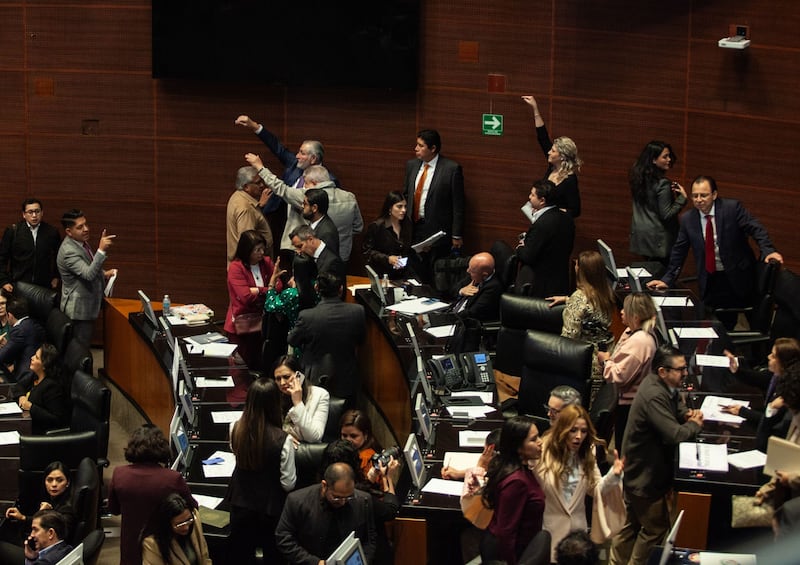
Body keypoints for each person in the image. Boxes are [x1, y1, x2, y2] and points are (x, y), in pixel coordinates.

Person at [608, 345, 704, 565]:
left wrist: (686, 414)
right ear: (663, 371)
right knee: (655, 528)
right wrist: (694, 425)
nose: (685, 373)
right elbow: (674, 434)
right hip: (644, 474)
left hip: (638, 470)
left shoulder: (664, 386)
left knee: (631, 524)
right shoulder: (654, 395)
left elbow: (676, 405)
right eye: (680, 370)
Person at [647, 175, 783, 326]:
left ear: (714, 195)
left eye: (703, 195)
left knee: (756, 322)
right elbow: (679, 251)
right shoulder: (688, 219)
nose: (698, 199)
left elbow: (756, 229)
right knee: (720, 324)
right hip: (713, 279)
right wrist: (667, 280)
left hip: (741, 275)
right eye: (695, 196)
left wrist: (768, 250)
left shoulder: (732, 209)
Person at [534, 404, 624, 561]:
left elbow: (595, 489)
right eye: (573, 430)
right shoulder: (543, 451)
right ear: (562, 429)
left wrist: (613, 475)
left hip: (577, 535)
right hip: (549, 531)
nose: (578, 436)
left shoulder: (587, 453)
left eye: (583, 431)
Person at [229, 377, 296, 565]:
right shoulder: (284, 440)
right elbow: (288, 483)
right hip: (271, 509)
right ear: (275, 403)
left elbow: (236, 455)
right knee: (273, 557)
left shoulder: (235, 427)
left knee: (241, 556)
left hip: (240, 503)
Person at [108, 425, 195, 565]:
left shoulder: (119, 474)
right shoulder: (173, 478)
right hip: (164, 548)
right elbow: (191, 508)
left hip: (131, 549)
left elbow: (114, 509)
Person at [547, 251, 616, 406]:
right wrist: (567, 299)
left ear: (582, 271)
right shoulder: (606, 292)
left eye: (577, 264)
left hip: (584, 362)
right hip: (606, 355)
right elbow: (591, 311)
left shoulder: (579, 298)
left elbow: (569, 338)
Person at [275, 462, 377, 565]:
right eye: (337, 497)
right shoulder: (297, 501)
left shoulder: (363, 500)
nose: (343, 502)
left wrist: (362, 562)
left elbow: (370, 540)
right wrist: (315, 562)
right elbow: (283, 538)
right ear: (324, 486)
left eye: (349, 497)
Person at [287, 272, 365, 405]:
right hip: (346, 378)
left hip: (313, 379)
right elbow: (361, 340)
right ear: (341, 289)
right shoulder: (358, 311)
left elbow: (292, 340)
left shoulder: (307, 316)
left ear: (316, 288)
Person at [321, 440, 400, 565]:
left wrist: (369, 479)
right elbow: (390, 510)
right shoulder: (359, 498)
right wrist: (387, 477)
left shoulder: (323, 490)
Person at [598, 292, 658, 453]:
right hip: (628, 402)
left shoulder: (640, 342)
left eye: (625, 310)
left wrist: (605, 361)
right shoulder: (634, 332)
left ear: (636, 317)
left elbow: (618, 376)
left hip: (630, 407)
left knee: (625, 451)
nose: (621, 312)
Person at [481, 415, 545, 565]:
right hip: (507, 554)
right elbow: (506, 533)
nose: (540, 442)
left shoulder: (518, 467)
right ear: (518, 447)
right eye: (533, 439)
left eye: (538, 436)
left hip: (518, 546)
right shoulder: (517, 482)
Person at [404, 129, 465, 283]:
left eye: (421, 146)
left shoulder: (451, 169)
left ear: (433, 149)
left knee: (435, 274)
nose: (416, 149)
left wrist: (456, 234)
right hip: (414, 227)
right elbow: (407, 194)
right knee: (415, 271)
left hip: (437, 231)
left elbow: (458, 204)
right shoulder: (411, 165)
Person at [722, 338, 800, 452]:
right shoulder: (776, 377)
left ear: (783, 362)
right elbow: (757, 378)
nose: (768, 357)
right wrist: (737, 370)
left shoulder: (789, 393)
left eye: (773, 356)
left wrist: (744, 411)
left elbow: (771, 424)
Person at [56, 209, 117, 345]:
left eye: (85, 224)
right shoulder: (68, 251)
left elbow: (85, 267)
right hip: (78, 311)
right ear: (68, 232)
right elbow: (88, 274)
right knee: (79, 350)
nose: (86, 229)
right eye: (80, 227)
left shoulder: (80, 242)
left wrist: (103, 273)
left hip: (86, 306)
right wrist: (101, 250)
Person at [0, 461, 75, 561]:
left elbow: (55, 534)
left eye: (59, 480)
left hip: (45, 556)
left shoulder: (67, 508)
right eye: (49, 480)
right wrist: (22, 517)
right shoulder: (53, 499)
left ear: (68, 483)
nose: (54, 484)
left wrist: (42, 513)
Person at [628, 141, 687, 267]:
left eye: (669, 156)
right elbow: (666, 214)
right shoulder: (663, 184)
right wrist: (682, 199)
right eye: (665, 157)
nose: (669, 159)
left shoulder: (637, 179)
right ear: (654, 160)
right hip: (659, 240)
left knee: (649, 273)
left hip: (641, 236)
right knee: (661, 277)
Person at [521, 95, 582, 217]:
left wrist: (551, 213)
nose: (549, 152)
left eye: (553, 151)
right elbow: (542, 137)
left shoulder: (570, 180)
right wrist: (535, 109)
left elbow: (575, 210)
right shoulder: (551, 166)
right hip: (541, 219)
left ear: (562, 157)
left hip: (556, 226)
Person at [224, 230, 275, 370]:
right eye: (257, 250)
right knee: (240, 371)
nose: (261, 253)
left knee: (260, 366)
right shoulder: (236, 267)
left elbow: (279, 287)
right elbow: (245, 297)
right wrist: (267, 290)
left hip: (262, 325)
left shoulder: (266, 262)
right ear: (246, 250)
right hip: (242, 327)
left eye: (262, 248)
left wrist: (258, 290)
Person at [515, 179, 575, 298]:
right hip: (561, 280)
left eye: (532, 195)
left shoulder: (542, 224)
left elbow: (528, 256)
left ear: (542, 200)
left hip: (541, 285)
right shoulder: (567, 219)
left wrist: (520, 247)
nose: (529, 197)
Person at [753, 363, 800, 509]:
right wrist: (767, 490)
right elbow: (786, 463)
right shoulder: (795, 417)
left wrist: (791, 479)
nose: (795, 417)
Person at [0, 198, 62, 293]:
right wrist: (3, 281)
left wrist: (56, 277)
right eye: (30, 212)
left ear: (42, 213)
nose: (34, 215)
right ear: (24, 214)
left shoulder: (51, 232)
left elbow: (59, 256)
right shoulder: (13, 231)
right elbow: (2, 258)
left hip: (43, 285)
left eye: (37, 211)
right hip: (18, 284)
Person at [11, 344, 69, 435]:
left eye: (37, 358)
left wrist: (31, 407)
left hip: (38, 433)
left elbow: (55, 419)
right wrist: (22, 396)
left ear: (45, 365)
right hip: (25, 423)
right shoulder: (35, 376)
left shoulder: (52, 387)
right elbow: (18, 386)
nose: (32, 358)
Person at [140, 493, 212, 565]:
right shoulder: (151, 543)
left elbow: (204, 557)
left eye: (188, 520)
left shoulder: (194, 518)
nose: (186, 527)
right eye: (179, 524)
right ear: (167, 524)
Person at [273, 354, 330, 443]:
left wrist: (298, 403)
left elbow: (314, 437)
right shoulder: (273, 395)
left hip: (307, 452)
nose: (282, 383)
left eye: (286, 377)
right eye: (278, 379)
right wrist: (285, 438)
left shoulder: (320, 395)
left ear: (299, 376)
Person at [362, 191, 415, 280]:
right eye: (399, 206)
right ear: (390, 208)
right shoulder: (377, 226)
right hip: (382, 274)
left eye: (405, 207)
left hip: (403, 274)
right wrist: (387, 259)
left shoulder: (407, 224)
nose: (404, 210)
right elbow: (367, 252)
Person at [226, 166, 273, 264]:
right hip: (251, 267)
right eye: (258, 183)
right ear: (246, 187)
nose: (262, 185)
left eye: (262, 181)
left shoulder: (238, 196)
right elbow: (249, 244)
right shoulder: (245, 208)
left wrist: (259, 206)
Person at [0, 296, 45, 382]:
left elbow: (1, 357)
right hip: (34, 374)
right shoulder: (32, 323)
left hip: (24, 379)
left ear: (9, 315)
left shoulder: (19, 330)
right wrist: (7, 345)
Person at [451, 252, 503, 322]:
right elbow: (453, 289)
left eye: (471, 271)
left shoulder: (493, 288)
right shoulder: (476, 272)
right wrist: (461, 291)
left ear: (484, 275)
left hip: (462, 321)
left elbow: (472, 313)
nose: (468, 271)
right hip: (453, 309)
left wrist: (448, 318)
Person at [339, 409, 383, 482]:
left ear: (365, 435)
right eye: (344, 435)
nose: (348, 440)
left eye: (353, 436)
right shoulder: (340, 451)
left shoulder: (368, 459)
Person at [302, 188, 341, 258]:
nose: (302, 207)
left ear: (314, 208)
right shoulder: (313, 223)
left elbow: (327, 263)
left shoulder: (327, 233)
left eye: (305, 204)